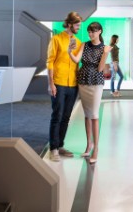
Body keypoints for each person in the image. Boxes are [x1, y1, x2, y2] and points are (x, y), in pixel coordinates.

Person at [68, 22, 112, 164]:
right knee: (87, 115)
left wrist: (105, 54)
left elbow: (100, 69)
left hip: (96, 81)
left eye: (93, 31)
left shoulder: (105, 48)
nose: (90, 34)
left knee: (94, 115)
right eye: (89, 32)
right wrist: (69, 51)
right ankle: (89, 145)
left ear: (99, 31)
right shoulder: (84, 45)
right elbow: (76, 60)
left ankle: (96, 149)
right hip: (83, 80)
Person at [46, 11, 82, 162]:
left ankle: (60, 145)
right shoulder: (56, 39)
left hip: (72, 84)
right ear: (69, 24)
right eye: (77, 25)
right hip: (59, 83)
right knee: (57, 116)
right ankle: (53, 148)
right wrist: (51, 84)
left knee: (66, 117)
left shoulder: (78, 42)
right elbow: (50, 62)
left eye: (80, 25)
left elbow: (77, 62)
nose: (79, 27)